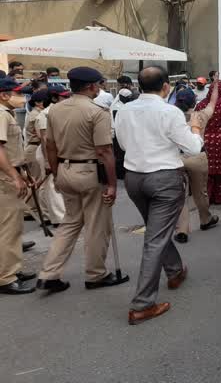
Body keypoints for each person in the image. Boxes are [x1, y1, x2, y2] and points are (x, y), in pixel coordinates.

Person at [114, 67, 203, 324]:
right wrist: (195, 128)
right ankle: (142, 304)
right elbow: (193, 147)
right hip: (164, 177)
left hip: (134, 177)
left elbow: (122, 144)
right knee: (155, 238)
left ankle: (175, 271)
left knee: (156, 231)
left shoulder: (125, 110)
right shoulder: (170, 112)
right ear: (166, 86)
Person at [36, 67, 127, 294]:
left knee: (69, 223)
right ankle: (96, 274)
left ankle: (49, 273)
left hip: (65, 169)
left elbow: (50, 145)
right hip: (89, 172)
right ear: (90, 86)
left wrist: (56, 172)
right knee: (97, 225)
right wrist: (113, 184)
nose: (100, 87)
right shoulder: (98, 112)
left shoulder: (55, 110)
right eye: (98, 83)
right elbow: (105, 151)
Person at [0, 78, 38, 295]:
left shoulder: (6, 113)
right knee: (8, 229)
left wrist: (22, 174)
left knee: (11, 228)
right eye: (17, 93)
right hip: (4, 179)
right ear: (4, 94)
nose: (22, 98)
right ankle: (6, 277)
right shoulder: (1, 114)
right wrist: (14, 176)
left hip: (9, 175)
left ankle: (10, 270)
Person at [172, 88, 220, 244]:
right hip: (197, 157)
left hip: (176, 157)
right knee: (201, 192)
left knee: (181, 195)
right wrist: (215, 85)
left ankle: (182, 230)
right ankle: (205, 219)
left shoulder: (171, 117)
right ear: (194, 102)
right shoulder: (200, 116)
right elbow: (213, 102)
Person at [33, 87, 70, 226]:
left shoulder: (61, 111)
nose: (67, 99)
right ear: (54, 98)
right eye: (64, 97)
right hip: (47, 152)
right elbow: (44, 140)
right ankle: (59, 218)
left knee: (47, 186)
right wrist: (49, 162)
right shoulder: (45, 114)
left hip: (57, 150)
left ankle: (47, 215)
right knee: (52, 185)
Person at [23, 90, 52, 222]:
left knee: (37, 181)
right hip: (34, 148)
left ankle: (30, 209)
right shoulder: (37, 115)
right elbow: (41, 136)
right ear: (38, 102)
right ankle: (26, 209)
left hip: (33, 148)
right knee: (37, 181)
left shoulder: (36, 113)